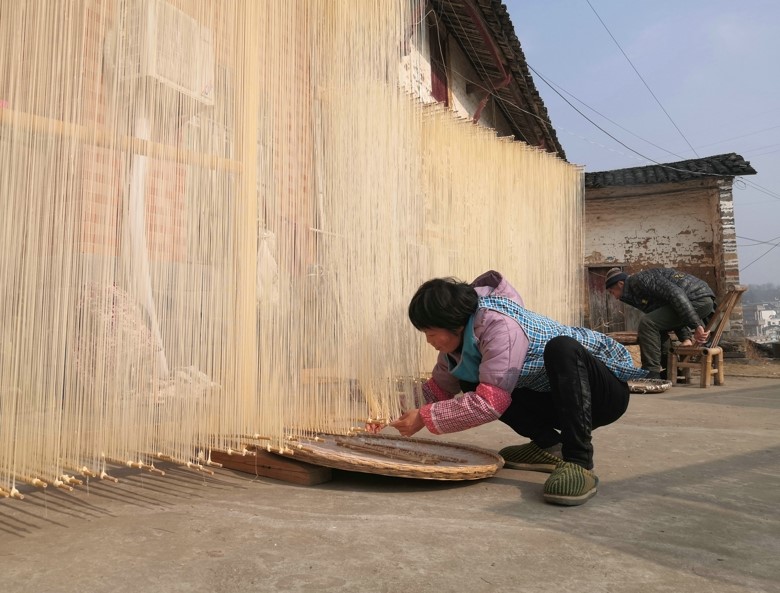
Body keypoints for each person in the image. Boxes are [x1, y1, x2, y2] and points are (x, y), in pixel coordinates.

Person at [388, 270, 647, 506]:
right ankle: (549, 446)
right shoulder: (459, 345)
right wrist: (389, 408)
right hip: (556, 399)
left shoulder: (500, 326)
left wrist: (424, 417)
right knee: (471, 379)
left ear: (453, 323)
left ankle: (578, 461)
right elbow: (438, 389)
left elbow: (489, 404)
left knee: (562, 348)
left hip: (601, 396)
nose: (429, 341)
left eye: (431, 333)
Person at [604, 267, 716, 379]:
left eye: (612, 292)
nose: (615, 297)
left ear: (621, 284)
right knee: (656, 325)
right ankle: (671, 371)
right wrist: (685, 338)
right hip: (696, 299)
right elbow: (669, 308)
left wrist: (696, 325)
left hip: (698, 299)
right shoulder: (634, 292)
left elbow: (676, 294)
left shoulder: (639, 280)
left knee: (647, 323)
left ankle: (651, 372)